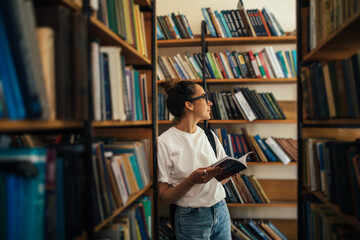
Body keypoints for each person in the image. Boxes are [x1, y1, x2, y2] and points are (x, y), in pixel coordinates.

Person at [157, 80, 231, 240]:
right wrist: (192, 180)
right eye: (204, 97)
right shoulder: (164, 142)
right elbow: (163, 197)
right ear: (189, 105)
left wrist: (228, 172)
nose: (210, 102)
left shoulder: (210, 136)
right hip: (190, 218)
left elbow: (221, 180)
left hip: (221, 210)